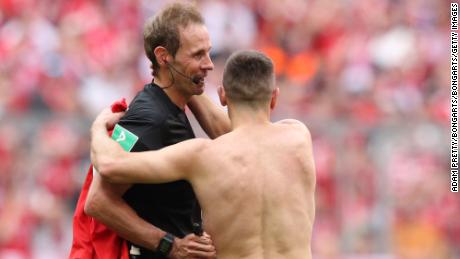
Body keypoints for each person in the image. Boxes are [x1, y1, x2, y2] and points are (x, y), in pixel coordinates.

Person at [91, 50, 317, 259]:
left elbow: (110, 165)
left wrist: (98, 127)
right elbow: (239, 132)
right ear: (274, 98)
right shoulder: (298, 137)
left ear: (222, 96)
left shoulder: (200, 157)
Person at [69, 2, 231, 258]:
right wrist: (169, 245)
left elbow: (229, 139)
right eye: (198, 54)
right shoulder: (149, 119)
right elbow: (98, 201)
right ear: (164, 56)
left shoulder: (174, 96)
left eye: (208, 53)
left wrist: (186, 78)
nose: (209, 64)